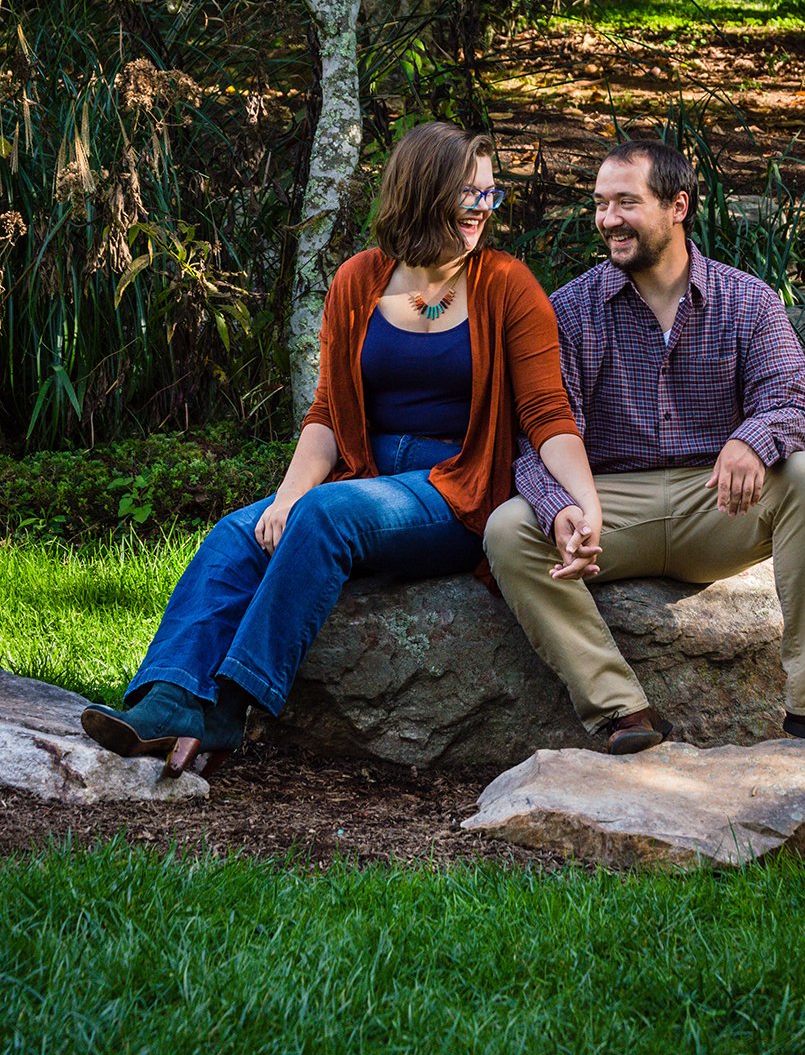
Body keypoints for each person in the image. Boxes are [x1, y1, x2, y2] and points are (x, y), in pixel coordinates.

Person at [82, 123, 600, 776]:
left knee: (327, 517)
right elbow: (327, 413)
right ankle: (168, 699)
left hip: (454, 487)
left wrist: (584, 503)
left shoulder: (507, 286)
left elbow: (546, 412)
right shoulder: (360, 280)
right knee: (235, 535)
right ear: (421, 192)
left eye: (489, 195)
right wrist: (288, 495)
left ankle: (229, 705)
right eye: (467, 192)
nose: (480, 210)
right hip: (366, 475)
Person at [484, 139, 805, 763]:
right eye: (601, 205)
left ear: (677, 206)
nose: (607, 220)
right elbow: (538, 434)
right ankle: (620, 706)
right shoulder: (570, 310)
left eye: (626, 202)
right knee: (509, 526)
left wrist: (752, 440)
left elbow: (794, 404)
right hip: (609, 512)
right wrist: (560, 508)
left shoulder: (748, 300)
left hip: (718, 505)